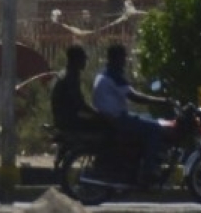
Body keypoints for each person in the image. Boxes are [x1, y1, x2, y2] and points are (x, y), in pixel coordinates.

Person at [92, 43, 169, 187]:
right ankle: (149, 169)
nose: (125, 61)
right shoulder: (114, 75)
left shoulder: (103, 73)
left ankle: (140, 162)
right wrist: (162, 101)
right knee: (154, 128)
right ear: (116, 58)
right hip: (117, 119)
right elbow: (135, 97)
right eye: (123, 57)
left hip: (110, 117)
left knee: (148, 119)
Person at [50, 44, 105, 137]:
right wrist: (99, 114)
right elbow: (80, 104)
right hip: (69, 121)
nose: (85, 62)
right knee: (105, 125)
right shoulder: (70, 77)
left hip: (62, 119)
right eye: (83, 59)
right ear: (76, 59)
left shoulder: (64, 73)